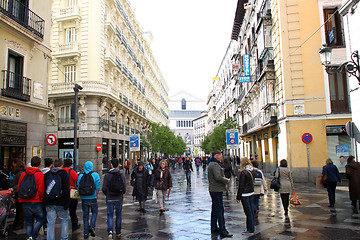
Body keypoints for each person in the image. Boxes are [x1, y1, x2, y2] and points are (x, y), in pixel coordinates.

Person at [17, 156, 45, 240]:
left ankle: (29, 237)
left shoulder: (23, 174)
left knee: (29, 221)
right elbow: (41, 189)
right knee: (41, 219)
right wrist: (41, 198)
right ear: (40, 164)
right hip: (36, 199)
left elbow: (19, 187)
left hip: (25, 200)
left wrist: (20, 198)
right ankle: (33, 236)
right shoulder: (39, 174)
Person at [208, 150, 232, 238]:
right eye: (220, 154)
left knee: (214, 209)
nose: (221, 156)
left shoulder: (213, 164)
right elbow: (218, 177)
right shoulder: (214, 165)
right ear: (216, 156)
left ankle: (214, 227)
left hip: (214, 189)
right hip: (216, 189)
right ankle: (223, 230)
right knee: (220, 210)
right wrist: (227, 180)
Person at [44, 159, 70, 240]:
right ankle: (64, 238)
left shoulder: (48, 174)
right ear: (62, 165)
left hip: (49, 201)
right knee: (64, 220)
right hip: (61, 201)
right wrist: (67, 202)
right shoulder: (63, 174)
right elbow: (66, 189)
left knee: (50, 223)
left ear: (53, 165)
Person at [102, 158, 126, 238]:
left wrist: (108, 194)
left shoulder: (107, 175)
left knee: (110, 215)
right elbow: (124, 187)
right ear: (118, 165)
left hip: (109, 198)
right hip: (119, 197)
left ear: (111, 164)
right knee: (118, 215)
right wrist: (121, 194)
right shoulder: (121, 174)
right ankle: (118, 231)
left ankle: (110, 231)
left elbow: (104, 188)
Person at [78, 161, 101, 239]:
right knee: (94, 212)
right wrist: (96, 194)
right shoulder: (95, 175)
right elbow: (97, 186)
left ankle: (85, 233)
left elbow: (78, 186)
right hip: (93, 197)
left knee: (85, 215)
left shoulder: (81, 176)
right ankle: (92, 226)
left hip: (84, 198)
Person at [236, 157, 255, 235]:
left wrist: (238, 196)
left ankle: (250, 229)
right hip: (251, 192)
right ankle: (251, 228)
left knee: (247, 212)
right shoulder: (252, 170)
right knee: (251, 211)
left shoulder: (243, 173)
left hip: (245, 194)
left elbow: (241, 186)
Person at [63, 158, 80, 231]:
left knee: (64, 210)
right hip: (72, 192)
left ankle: (65, 224)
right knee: (72, 210)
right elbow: (77, 179)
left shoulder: (61, 171)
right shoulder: (71, 172)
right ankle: (74, 224)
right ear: (71, 164)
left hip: (63, 193)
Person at [9, 160, 26, 230]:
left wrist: (13, 188)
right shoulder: (21, 173)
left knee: (20, 209)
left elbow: (20, 184)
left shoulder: (20, 173)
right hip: (19, 192)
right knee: (19, 209)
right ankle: (17, 223)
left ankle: (19, 223)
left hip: (19, 193)